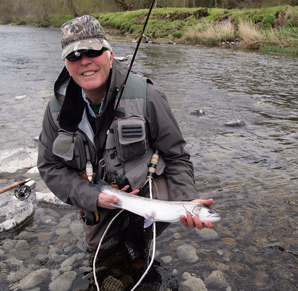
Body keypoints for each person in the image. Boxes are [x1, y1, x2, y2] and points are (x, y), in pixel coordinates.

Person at [37, 15, 214, 251]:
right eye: (74, 56)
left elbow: (176, 157)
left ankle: (142, 246)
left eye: (93, 52)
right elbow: (50, 167)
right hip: (98, 193)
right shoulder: (57, 110)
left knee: (140, 239)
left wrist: (187, 199)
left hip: (145, 188)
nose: (84, 61)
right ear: (67, 65)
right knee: (100, 250)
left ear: (109, 55)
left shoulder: (147, 96)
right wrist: (90, 197)